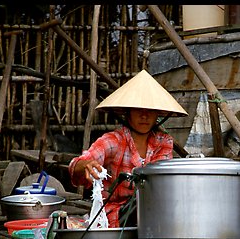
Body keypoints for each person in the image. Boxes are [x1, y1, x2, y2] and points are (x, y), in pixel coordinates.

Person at [69, 70, 188, 228]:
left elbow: (161, 183)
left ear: (157, 114)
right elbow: (77, 164)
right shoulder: (113, 141)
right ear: (128, 112)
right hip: (116, 216)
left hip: (155, 213)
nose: (144, 116)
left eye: (150, 110)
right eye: (138, 110)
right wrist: (85, 165)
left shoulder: (163, 142)